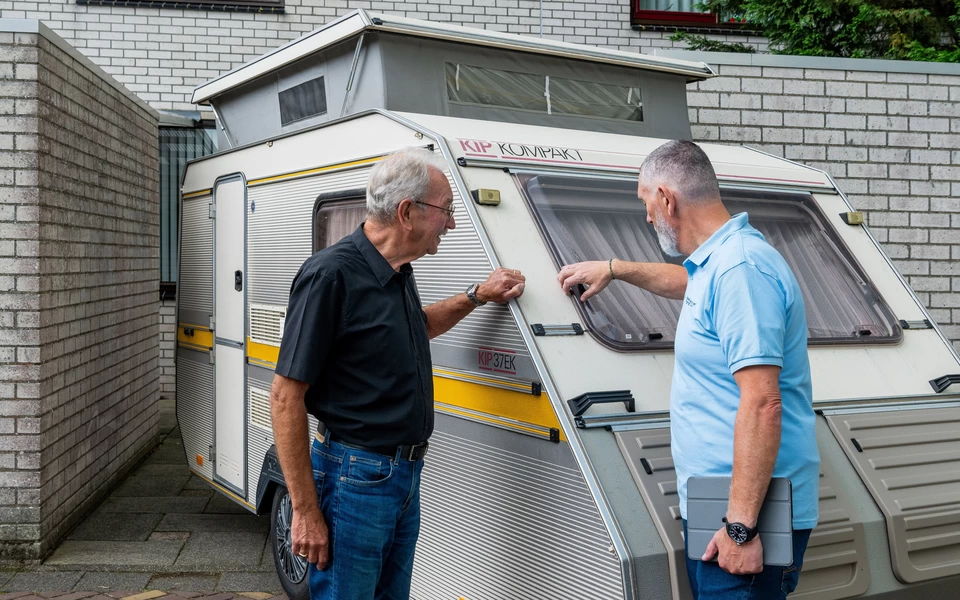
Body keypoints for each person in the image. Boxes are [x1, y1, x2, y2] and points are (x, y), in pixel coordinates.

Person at [558, 140, 819, 599]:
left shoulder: (740, 269)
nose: (646, 216)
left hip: (746, 511)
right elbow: (690, 283)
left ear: (666, 198)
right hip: (722, 499)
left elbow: (763, 404)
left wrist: (740, 529)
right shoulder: (719, 264)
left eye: (645, 202)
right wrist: (615, 268)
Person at [269, 147, 525, 600]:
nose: (451, 223)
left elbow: (418, 327)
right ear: (408, 212)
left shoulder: (398, 271)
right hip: (356, 478)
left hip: (401, 477)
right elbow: (285, 397)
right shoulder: (330, 276)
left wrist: (477, 295)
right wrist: (305, 510)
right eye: (446, 210)